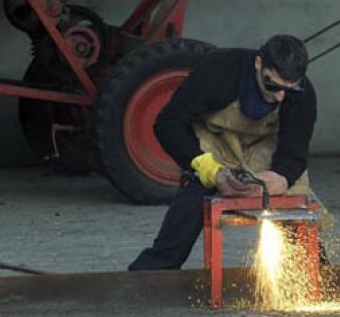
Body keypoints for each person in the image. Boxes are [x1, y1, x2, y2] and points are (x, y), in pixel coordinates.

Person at [129, 35, 322, 270]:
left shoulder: (301, 93)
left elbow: (295, 148)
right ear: (259, 63)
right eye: (272, 85)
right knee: (195, 197)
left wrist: (281, 177)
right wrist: (207, 168)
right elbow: (168, 123)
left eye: (288, 90)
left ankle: (317, 271)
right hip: (217, 142)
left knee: (296, 204)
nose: (280, 96)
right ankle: (152, 271)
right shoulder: (218, 71)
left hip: (263, 146)